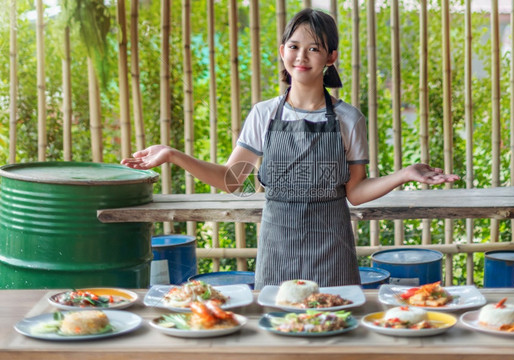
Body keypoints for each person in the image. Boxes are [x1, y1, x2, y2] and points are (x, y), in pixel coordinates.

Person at [121, 8, 459, 290]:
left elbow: (354, 193)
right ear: (282, 51)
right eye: (294, 46)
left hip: (333, 249)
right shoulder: (264, 114)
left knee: (335, 330)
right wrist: (173, 154)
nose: (302, 56)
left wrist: (404, 174)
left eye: (314, 48)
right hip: (277, 247)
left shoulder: (348, 118)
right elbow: (233, 181)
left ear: (331, 57)